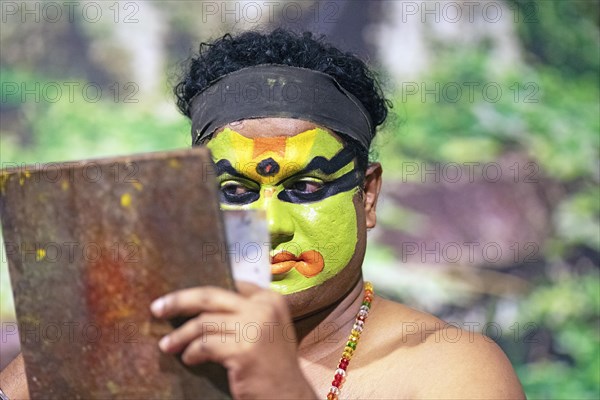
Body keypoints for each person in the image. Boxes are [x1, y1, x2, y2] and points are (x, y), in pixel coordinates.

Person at [0, 29, 525, 399]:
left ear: (367, 195)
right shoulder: (138, 346)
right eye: (234, 190)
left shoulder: (449, 369)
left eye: (306, 186)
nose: (270, 225)